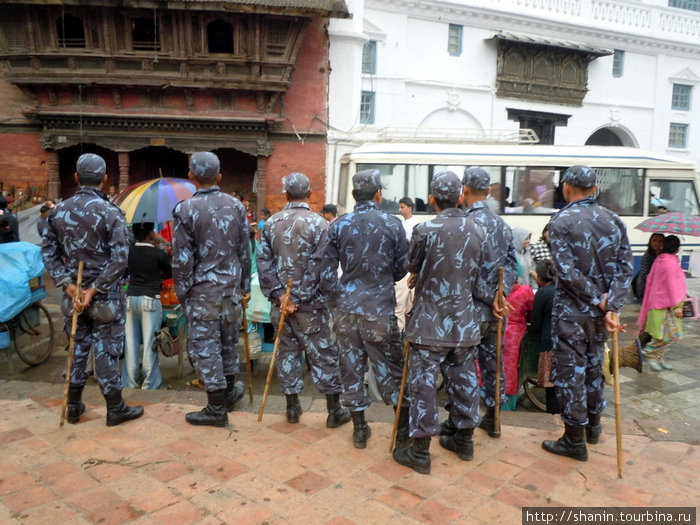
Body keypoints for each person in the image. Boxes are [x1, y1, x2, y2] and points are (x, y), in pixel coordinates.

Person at [392, 171, 487, 474]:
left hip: (430, 323)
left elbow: (411, 265)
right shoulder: (477, 229)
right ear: (460, 196)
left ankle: (421, 451)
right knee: (464, 380)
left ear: (431, 199)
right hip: (464, 321)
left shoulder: (424, 229)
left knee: (423, 385)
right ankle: (465, 439)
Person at [41, 153, 144, 426]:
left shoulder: (58, 211)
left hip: (72, 296)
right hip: (105, 297)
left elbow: (48, 252)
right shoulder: (111, 213)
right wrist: (94, 289)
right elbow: (120, 258)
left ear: (76, 177)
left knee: (76, 347)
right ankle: (115, 407)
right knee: (106, 350)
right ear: (104, 178)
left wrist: (68, 284)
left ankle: (73, 406)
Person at [543, 165, 633, 461]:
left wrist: (598, 300)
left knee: (571, 373)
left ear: (567, 188)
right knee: (596, 367)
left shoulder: (561, 221)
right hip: (600, 315)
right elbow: (624, 268)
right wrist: (613, 305)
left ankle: (574, 439)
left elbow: (566, 272)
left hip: (572, 313)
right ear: (594, 189)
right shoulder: (614, 220)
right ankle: (594, 427)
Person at [322, 169, 409, 449]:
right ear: (378, 194)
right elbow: (401, 269)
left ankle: (360, 429)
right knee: (390, 370)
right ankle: (402, 431)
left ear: (352, 194)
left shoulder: (338, 225)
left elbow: (325, 272)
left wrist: (337, 299)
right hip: (379, 310)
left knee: (350, 368)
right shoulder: (393, 224)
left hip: (347, 309)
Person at [257, 173, 350, 427]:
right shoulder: (320, 224)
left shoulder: (271, 223)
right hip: (310, 306)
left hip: (283, 304)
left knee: (286, 352)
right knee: (323, 354)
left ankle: (292, 407)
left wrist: (281, 296)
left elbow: (263, 263)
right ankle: (333, 410)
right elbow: (320, 265)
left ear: (286, 195)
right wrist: (297, 296)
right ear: (309, 195)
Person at [172, 152, 250, 427]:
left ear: (192, 177)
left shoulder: (185, 210)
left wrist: (183, 294)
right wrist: (244, 286)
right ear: (219, 177)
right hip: (230, 290)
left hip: (202, 291)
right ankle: (228, 393)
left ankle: (217, 408)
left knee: (206, 347)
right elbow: (244, 250)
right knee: (228, 343)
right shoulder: (236, 206)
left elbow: (182, 259)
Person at [447, 168, 517, 439]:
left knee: (462, 367)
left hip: (470, 311)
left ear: (464, 190)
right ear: (488, 191)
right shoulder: (501, 224)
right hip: (498, 311)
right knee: (493, 366)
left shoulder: (465, 224)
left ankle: (461, 424)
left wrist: (490, 296)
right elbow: (511, 264)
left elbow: (465, 272)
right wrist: (501, 294)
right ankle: (494, 419)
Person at [122, 222, 172, 390]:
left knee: (130, 343)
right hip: (150, 298)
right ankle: (149, 383)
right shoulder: (157, 254)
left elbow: (125, 273)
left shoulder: (128, 252)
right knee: (150, 342)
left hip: (130, 299)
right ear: (150, 233)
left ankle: (130, 382)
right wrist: (161, 241)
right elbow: (170, 272)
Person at [637, 235, 686, 371]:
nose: (658, 244)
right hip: (665, 304)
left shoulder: (662, 259)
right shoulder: (667, 262)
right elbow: (671, 284)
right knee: (669, 334)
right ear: (676, 249)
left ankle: (659, 357)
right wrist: (676, 305)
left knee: (664, 333)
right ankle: (649, 353)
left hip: (659, 302)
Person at [527, 259, 559, 414]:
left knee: (552, 390)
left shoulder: (543, 293)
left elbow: (536, 324)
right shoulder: (562, 289)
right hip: (568, 343)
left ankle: (554, 420)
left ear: (538, 277)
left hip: (549, 345)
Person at [501, 263, 534, 411]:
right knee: (511, 369)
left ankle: (491, 399)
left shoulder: (497, 291)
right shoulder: (525, 291)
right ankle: (508, 405)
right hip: (515, 336)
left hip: (497, 330)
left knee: (492, 367)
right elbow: (532, 313)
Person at [632, 233, 664, 303]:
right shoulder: (647, 256)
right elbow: (645, 275)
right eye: (654, 241)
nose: (656, 243)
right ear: (650, 242)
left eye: (659, 241)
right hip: (646, 286)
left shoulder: (664, 255)